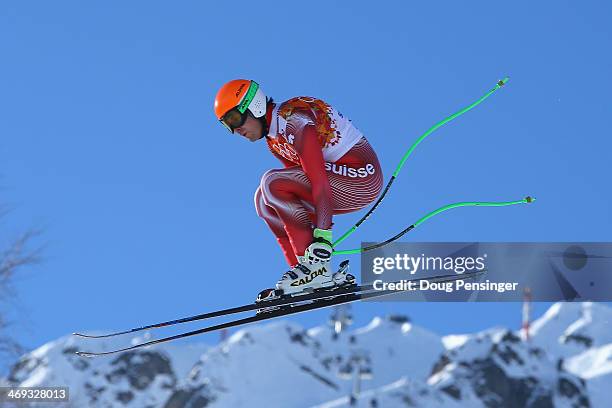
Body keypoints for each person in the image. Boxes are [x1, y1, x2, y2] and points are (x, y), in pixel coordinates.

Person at [214, 79, 383, 301]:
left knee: (272, 183)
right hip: (339, 183)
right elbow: (293, 195)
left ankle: (316, 270)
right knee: (264, 200)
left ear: (253, 105)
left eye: (235, 119)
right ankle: (305, 274)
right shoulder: (274, 141)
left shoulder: (293, 119)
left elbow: (318, 181)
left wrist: (323, 236)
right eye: (228, 125)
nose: (236, 130)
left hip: (361, 179)